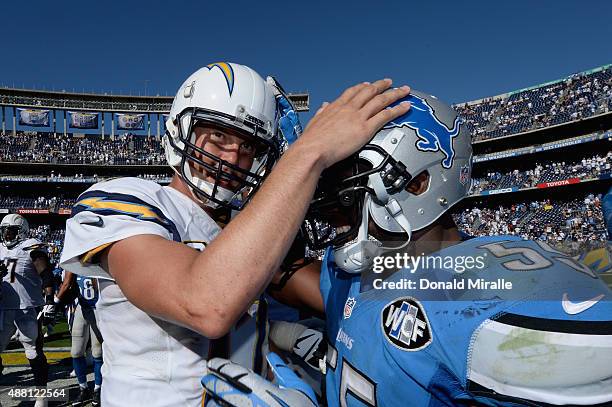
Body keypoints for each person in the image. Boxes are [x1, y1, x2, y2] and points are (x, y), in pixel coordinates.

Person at [202, 91, 612, 406]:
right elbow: (279, 274)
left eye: (346, 185)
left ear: (416, 184)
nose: (329, 207)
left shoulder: (494, 301)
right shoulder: (359, 271)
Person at [59, 62, 412, 406]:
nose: (232, 156)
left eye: (249, 147)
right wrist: (311, 151)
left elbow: (339, 294)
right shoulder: (125, 199)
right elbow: (205, 304)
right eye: (218, 136)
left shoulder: (249, 227)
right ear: (181, 129)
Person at [0, 214, 54, 407]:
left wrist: (49, 299)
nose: (6, 234)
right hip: (3, 308)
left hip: (27, 307)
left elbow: (46, 273)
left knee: (32, 352)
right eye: (4, 230)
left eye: (11, 230)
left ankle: (42, 396)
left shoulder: (30, 245)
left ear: (21, 231)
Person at [55, 270, 103, 406]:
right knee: (76, 352)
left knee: (97, 353)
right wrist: (56, 301)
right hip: (82, 308)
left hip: (98, 309)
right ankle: (83, 388)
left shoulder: (98, 260)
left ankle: (98, 389)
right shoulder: (75, 260)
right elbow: (67, 283)